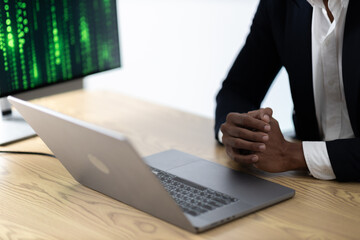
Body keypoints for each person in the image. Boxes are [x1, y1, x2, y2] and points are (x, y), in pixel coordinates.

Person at [215, 0, 360, 181]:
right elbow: (237, 90)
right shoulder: (280, 5)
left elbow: (287, 155)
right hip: (309, 185)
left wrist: (292, 154)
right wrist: (241, 136)